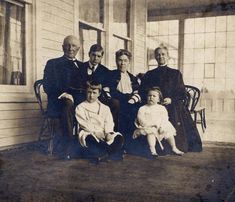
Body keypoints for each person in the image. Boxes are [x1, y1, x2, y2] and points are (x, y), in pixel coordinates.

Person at [140, 45, 202, 152]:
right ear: (155, 57)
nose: (160, 57)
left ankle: (174, 146)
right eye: (158, 55)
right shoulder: (150, 74)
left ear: (168, 56)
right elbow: (143, 91)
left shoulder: (175, 73)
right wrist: (153, 99)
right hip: (154, 104)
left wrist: (171, 99)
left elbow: (182, 93)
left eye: (163, 54)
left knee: (174, 111)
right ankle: (155, 146)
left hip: (171, 104)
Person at [43, 35, 86, 158]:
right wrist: (64, 94)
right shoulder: (53, 63)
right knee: (68, 104)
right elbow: (47, 85)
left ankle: (90, 144)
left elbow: (85, 86)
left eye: (73, 46)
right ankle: (68, 146)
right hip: (58, 102)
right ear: (63, 47)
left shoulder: (82, 66)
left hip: (77, 101)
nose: (70, 48)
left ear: (78, 48)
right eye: (67, 45)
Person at [75, 81, 124, 162]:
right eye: (89, 92)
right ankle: (111, 152)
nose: (91, 95)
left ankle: (103, 153)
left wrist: (108, 133)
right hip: (89, 132)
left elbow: (109, 122)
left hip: (103, 133)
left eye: (94, 93)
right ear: (85, 92)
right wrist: (95, 132)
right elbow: (84, 124)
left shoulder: (105, 108)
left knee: (118, 137)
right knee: (90, 139)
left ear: (99, 93)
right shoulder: (80, 107)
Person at [133, 87, 184, 158]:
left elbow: (165, 118)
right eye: (149, 96)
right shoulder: (143, 108)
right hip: (148, 126)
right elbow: (140, 119)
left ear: (159, 99)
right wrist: (149, 125)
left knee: (168, 131)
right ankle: (152, 150)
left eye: (154, 96)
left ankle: (174, 147)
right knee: (151, 133)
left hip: (160, 126)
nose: (151, 97)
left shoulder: (161, 108)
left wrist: (161, 127)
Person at [80, 44, 120, 131]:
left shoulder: (105, 71)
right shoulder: (81, 67)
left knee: (115, 103)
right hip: (84, 96)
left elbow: (108, 86)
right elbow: (76, 84)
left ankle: (110, 131)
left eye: (99, 56)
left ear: (102, 57)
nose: (95, 58)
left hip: (99, 98)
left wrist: (103, 90)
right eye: (93, 55)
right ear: (89, 54)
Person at [109, 49, 141, 146]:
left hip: (130, 103)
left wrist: (132, 99)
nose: (122, 63)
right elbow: (111, 91)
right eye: (120, 60)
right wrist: (126, 98)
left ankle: (132, 142)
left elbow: (137, 92)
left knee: (136, 109)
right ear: (116, 61)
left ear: (129, 62)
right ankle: (119, 141)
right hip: (118, 102)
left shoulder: (132, 78)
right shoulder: (112, 75)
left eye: (125, 60)